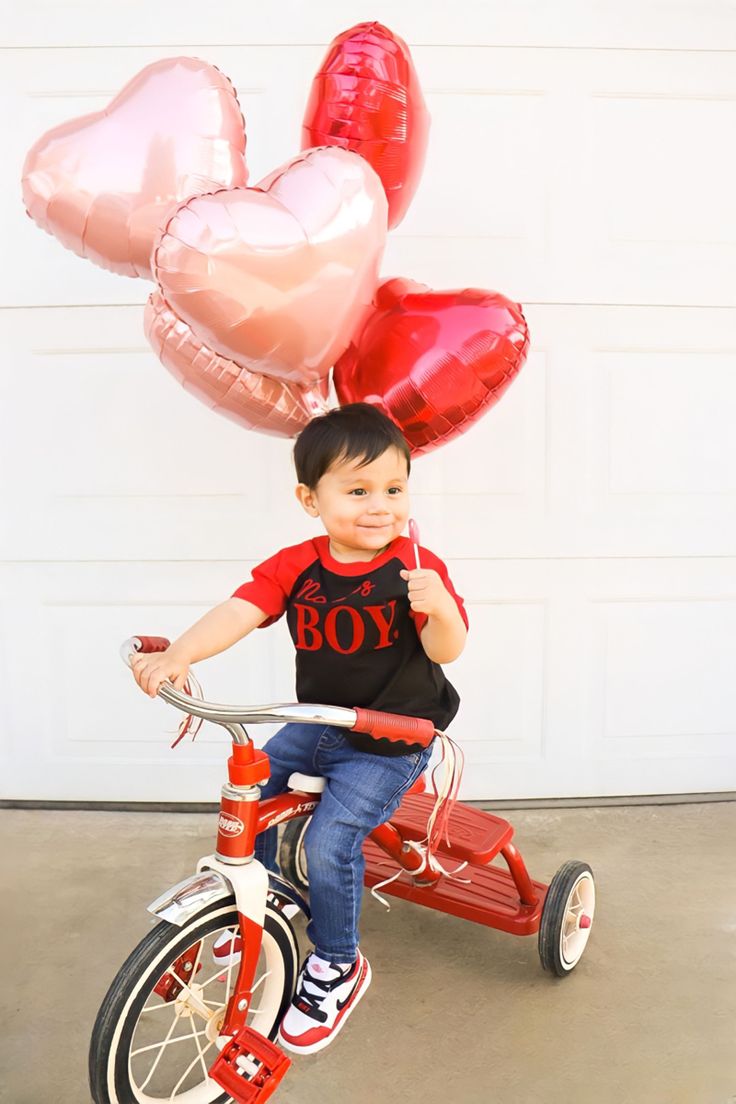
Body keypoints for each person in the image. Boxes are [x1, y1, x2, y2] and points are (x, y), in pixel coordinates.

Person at [130, 402, 468, 1055]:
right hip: (317, 723)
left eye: (394, 490)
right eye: (358, 490)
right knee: (249, 793)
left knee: (329, 842)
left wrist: (441, 609)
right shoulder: (299, 564)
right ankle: (260, 899)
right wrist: (180, 655)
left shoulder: (413, 568)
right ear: (309, 500)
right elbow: (239, 609)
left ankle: (338, 962)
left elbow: (447, 651)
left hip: (391, 736)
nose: (380, 506)